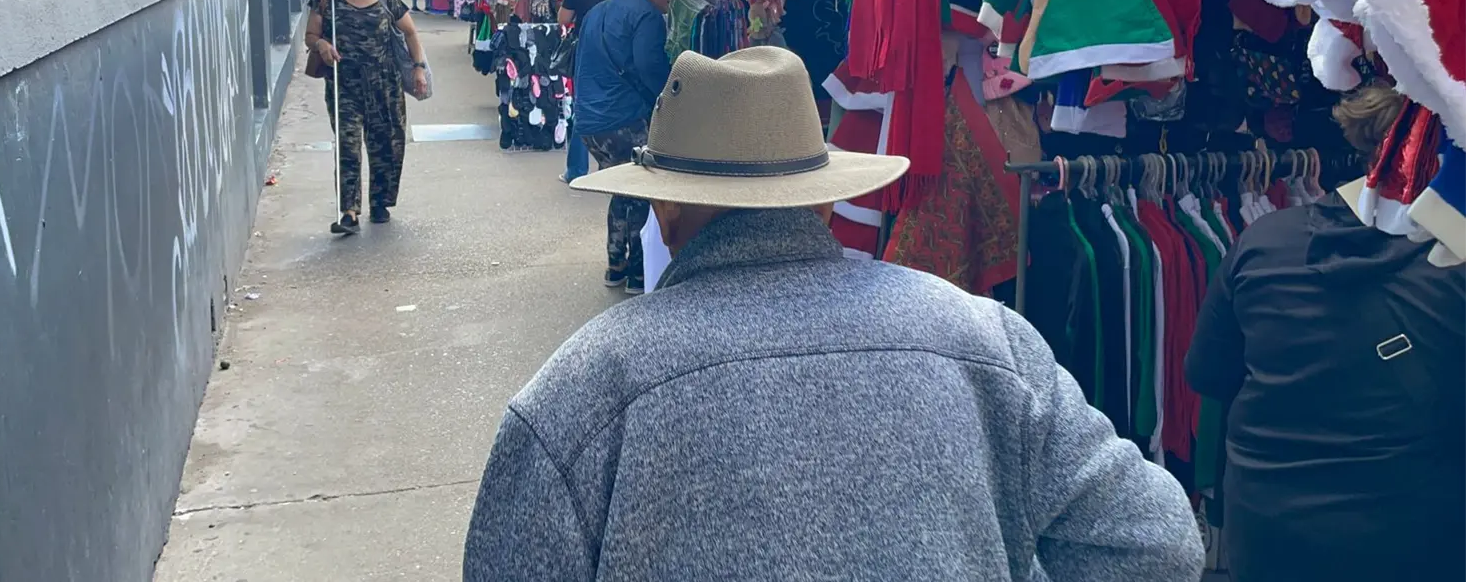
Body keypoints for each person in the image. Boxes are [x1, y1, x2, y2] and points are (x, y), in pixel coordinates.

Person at [464, 46, 1205, 581]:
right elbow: (1157, 542)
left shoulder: (584, 389)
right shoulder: (985, 341)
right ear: (823, 203)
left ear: (664, 211)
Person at [1186, 83, 1466, 582]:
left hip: (1267, 537)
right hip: (1410, 541)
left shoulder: (1263, 240)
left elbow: (1207, 374)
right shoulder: (1454, 266)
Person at [304, 0, 429, 235]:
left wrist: (419, 68)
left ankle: (381, 202)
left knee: (387, 144)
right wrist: (321, 45)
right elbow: (310, 35)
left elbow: (410, 33)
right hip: (344, 85)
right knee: (347, 145)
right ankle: (348, 211)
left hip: (385, 83)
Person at [570, 0, 676, 293]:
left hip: (589, 122)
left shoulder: (597, 11)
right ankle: (638, 272)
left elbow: (579, 64)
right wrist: (673, 97)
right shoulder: (647, 15)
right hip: (622, 119)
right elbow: (649, 66)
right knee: (642, 194)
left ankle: (615, 264)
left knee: (622, 189)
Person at [557, 0, 622, 184]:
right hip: (616, 52)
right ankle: (613, 166)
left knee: (582, 107)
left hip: (586, 52)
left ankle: (576, 169)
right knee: (616, 106)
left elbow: (563, 19)